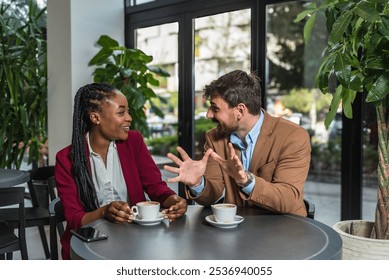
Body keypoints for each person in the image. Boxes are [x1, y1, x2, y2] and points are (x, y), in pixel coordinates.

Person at [55, 83, 187, 260]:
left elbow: (156, 187)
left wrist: (174, 201)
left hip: (136, 241)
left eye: (128, 111)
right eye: (121, 112)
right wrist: (104, 211)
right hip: (88, 245)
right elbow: (73, 219)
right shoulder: (66, 158)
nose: (129, 118)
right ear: (96, 118)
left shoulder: (134, 141)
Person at [164, 70, 311, 217]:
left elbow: (288, 199)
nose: (209, 114)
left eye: (215, 108)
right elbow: (211, 195)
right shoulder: (214, 138)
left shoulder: (293, 136)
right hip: (238, 229)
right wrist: (197, 183)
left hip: (287, 228)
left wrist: (246, 181)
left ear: (240, 110)